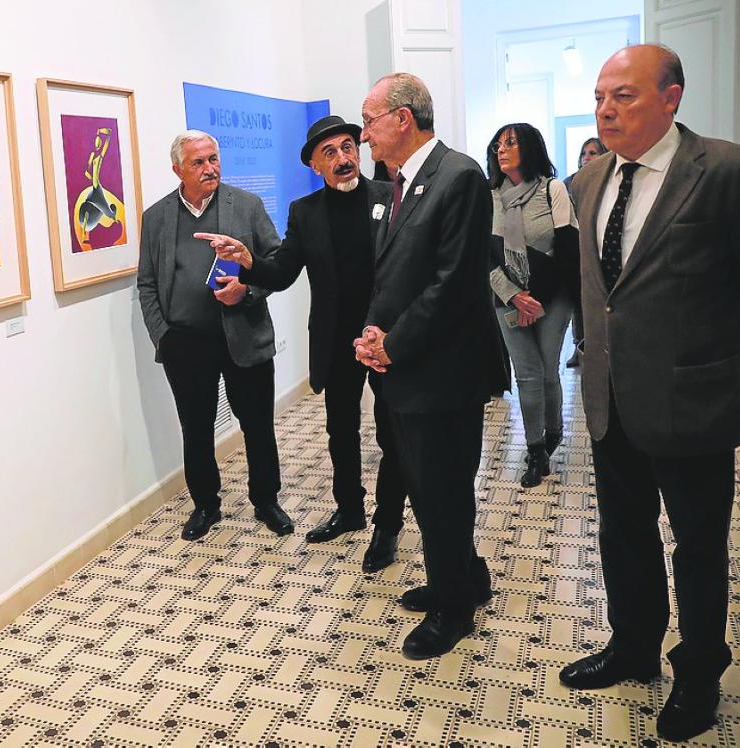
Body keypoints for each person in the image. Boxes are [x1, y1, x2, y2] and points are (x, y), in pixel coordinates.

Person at [558, 45, 740, 742]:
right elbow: (602, 295)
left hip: (692, 397)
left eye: (624, 95)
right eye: (600, 96)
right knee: (622, 533)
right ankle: (632, 645)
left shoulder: (731, 173)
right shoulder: (589, 180)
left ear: (672, 97)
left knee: (697, 544)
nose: (606, 109)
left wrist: (700, 345)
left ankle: (697, 673)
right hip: (610, 397)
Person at [198, 115, 407, 573]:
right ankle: (350, 510)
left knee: (393, 433)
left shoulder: (389, 198)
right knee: (341, 431)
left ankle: (387, 527)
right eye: (329, 153)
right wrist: (248, 261)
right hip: (336, 337)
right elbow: (284, 271)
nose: (343, 158)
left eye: (348, 147)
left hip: (388, 336)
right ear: (315, 165)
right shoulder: (305, 212)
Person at [353, 73, 508, 659]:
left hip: (443, 372)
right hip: (405, 369)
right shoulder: (398, 185)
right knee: (425, 486)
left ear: (403, 119)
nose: (364, 133)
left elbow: (454, 286)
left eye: (369, 121)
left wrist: (394, 344)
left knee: (442, 491)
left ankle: (453, 611)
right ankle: (464, 577)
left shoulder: (459, 177)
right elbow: (390, 275)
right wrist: (374, 332)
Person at [136, 130, 294, 541]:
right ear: (177, 170)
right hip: (186, 344)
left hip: (244, 332)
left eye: (213, 159)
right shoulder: (156, 217)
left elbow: (277, 263)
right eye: (198, 163)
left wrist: (248, 290)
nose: (210, 168)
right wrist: (163, 338)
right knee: (196, 428)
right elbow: (147, 284)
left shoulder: (246, 205)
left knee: (258, 424)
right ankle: (206, 505)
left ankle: (266, 500)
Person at [485, 123, 580, 488]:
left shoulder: (551, 189)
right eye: (497, 145)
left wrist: (533, 298)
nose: (501, 150)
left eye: (509, 143)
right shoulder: (489, 196)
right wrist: (514, 296)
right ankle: (536, 448)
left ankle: (553, 431)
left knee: (545, 370)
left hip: (553, 297)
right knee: (525, 373)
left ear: (530, 147)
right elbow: (484, 256)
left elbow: (567, 250)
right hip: (506, 297)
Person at [563, 137, 607, 368]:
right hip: (578, 252)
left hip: (603, 252)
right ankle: (579, 346)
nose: (587, 158)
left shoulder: (612, 181)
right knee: (579, 305)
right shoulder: (570, 183)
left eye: (593, 153)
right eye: (584, 153)